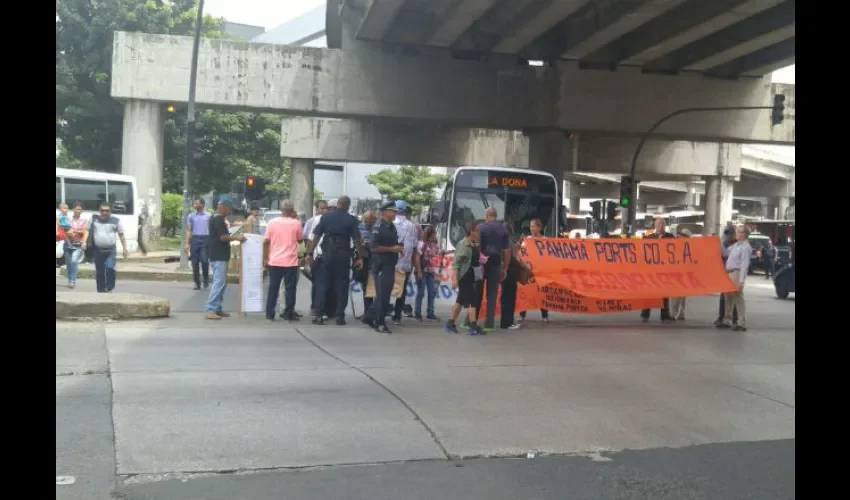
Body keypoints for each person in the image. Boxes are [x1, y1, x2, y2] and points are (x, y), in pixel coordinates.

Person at [306, 196, 364, 326]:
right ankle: (340, 316)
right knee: (341, 286)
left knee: (322, 284)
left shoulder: (325, 217)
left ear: (338, 204)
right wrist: (360, 257)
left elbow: (316, 236)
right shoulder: (351, 220)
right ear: (348, 206)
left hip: (327, 254)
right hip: (343, 255)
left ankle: (319, 315)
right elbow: (356, 240)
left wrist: (310, 253)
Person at [361, 202, 403, 334]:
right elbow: (373, 247)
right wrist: (392, 249)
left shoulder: (392, 227)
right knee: (383, 296)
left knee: (385, 295)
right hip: (380, 264)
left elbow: (393, 243)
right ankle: (380, 322)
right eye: (393, 211)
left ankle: (369, 316)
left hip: (390, 264)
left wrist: (399, 248)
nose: (396, 214)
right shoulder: (378, 227)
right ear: (385, 212)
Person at [204, 199, 246, 320]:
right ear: (223, 207)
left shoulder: (215, 218)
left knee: (222, 282)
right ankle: (211, 309)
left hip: (218, 254)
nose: (230, 211)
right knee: (219, 282)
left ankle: (217, 308)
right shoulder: (218, 219)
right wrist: (237, 237)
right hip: (219, 255)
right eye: (229, 208)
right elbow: (223, 237)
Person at [264, 200, 303, 321]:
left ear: (281, 210)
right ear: (292, 211)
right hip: (290, 261)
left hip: (275, 260)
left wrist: (265, 258)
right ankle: (289, 313)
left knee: (273, 288)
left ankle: (270, 313)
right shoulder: (296, 223)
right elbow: (300, 240)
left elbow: (266, 241)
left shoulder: (272, 223)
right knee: (290, 288)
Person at [444, 221, 484, 336]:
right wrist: (455, 280)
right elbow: (456, 264)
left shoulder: (474, 244)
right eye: (477, 231)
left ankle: (450, 323)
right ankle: (473, 326)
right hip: (465, 277)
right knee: (472, 302)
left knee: (460, 301)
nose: (479, 233)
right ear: (471, 232)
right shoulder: (463, 245)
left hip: (472, 277)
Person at [476, 207, 512, 331]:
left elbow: (477, 247)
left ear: (486, 215)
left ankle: (471, 320)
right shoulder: (503, 229)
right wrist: (505, 268)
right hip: (496, 265)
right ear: (495, 216)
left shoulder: (481, 227)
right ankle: (489, 324)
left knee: (477, 292)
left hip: (480, 264)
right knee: (492, 294)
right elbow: (507, 251)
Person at [717, 225, 753, 332]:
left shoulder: (746, 247)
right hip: (729, 273)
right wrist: (718, 242)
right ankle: (727, 320)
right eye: (737, 231)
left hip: (736, 273)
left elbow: (744, 265)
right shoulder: (736, 245)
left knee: (738, 298)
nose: (736, 233)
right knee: (728, 297)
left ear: (744, 234)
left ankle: (742, 323)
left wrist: (741, 281)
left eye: (739, 232)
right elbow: (725, 253)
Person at [89, 202, 129, 293]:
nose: (104, 212)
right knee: (100, 272)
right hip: (98, 250)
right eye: (102, 210)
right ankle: (101, 290)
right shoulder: (94, 220)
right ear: (99, 211)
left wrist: (124, 249)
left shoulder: (116, 221)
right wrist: (84, 242)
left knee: (110, 268)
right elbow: (87, 231)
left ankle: (109, 287)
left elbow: (121, 235)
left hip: (110, 251)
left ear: (110, 211)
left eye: (107, 210)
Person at [640, 217, 674, 322]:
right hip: (651, 271)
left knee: (664, 293)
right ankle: (645, 313)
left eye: (662, 224)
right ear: (655, 226)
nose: (660, 226)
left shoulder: (670, 237)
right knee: (648, 292)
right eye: (658, 224)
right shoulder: (649, 238)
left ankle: (665, 314)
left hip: (664, 270)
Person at [391, 201, 418, 325]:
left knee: (385, 290)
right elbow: (414, 248)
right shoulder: (412, 226)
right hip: (405, 264)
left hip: (389, 264)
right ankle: (397, 317)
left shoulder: (389, 223)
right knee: (401, 292)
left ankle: (380, 313)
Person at [519, 218, 548, 323]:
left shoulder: (545, 240)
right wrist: (521, 242)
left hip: (541, 271)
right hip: (529, 270)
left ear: (539, 227)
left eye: (533, 226)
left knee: (542, 293)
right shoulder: (528, 239)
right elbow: (521, 252)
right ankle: (522, 314)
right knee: (525, 291)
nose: (531, 228)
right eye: (530, 226)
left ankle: (544, 314)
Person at [304, 199, 328, 316]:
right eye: (321, 208)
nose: (323, 210)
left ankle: (321, 307)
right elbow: (308, 239)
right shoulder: (311, 221)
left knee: (322, 283)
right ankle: (314, 306)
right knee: (316, 283)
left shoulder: (329, 220)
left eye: (325, 208)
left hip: (325, 256)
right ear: (316, 209)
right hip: (315, 256)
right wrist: (308, 255)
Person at [413, 225, 440, 321]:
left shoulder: (433, 244)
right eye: (434, 233)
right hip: (423, 271)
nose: (436, 235)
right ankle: (417, 313)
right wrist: (419, 271)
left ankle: (430, 313)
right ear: (430, 234)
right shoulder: (422, 244)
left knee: (432, 292)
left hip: (431, 271)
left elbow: (438, 253)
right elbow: (417, 258)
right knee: (420, 293)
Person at [185, 199, 211, 290]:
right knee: (194, 262)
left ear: (202, 205)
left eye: (196, 203)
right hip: (195, 239)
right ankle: (197, 283)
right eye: (194, 203)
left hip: (205, 239)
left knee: (204, 260)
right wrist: (187, 243)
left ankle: (206, 279)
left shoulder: (209, 216)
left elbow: (211, 230)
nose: (194, 204)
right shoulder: (191, 216)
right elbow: (189, 230)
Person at [499, 223, 521, 330]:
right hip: (509, 271)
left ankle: (505, 321)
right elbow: (512, 255)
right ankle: (508, 322)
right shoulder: (508, 242)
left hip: (502, 271)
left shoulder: (499, 241)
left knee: (504, 297)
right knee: (510, 297)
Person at [715, 225, 738, 326]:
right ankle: (722, 316)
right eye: (726, 233)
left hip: (733, 272)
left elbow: (726, 254)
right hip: (724, 272)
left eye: (730, 233)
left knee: (733, 296)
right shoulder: (724, 243)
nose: (728, 235)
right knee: (723, 296)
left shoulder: (737, 245)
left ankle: (734, 318)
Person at [64, 201, 89, 289]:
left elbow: (84, 231)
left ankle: (72, 281)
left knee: (74, 262)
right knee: (69, 263)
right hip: (67, 244)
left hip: (78, 244)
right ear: (73, 209)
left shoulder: (84, 221)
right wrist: (77, 231)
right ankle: (70, 279)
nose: (78, 211)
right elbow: (65, 230)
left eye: (80, 209)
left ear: (82, 210)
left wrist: (74, 231)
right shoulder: (67, 220)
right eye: (76, 209)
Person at [669, 228, 692, 320]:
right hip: (679, 272)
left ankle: (674, 313)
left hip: (682, 273)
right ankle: (681, 313)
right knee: (681, 295)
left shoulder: (686, 247)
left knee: (677, 295)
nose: (679, 236)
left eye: (681, 235)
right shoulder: (679, 246)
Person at [357, 211, 377, 314]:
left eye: (371, 221)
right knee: (365, 287)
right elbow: (355, 241)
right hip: (364, 260)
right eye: (366, 221)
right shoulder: (359, 228)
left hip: (375, 261)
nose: (368, 224)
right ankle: (367, 311)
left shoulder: (378, 228)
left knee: (375, 288)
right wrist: (361, 243)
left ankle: (373, 311)